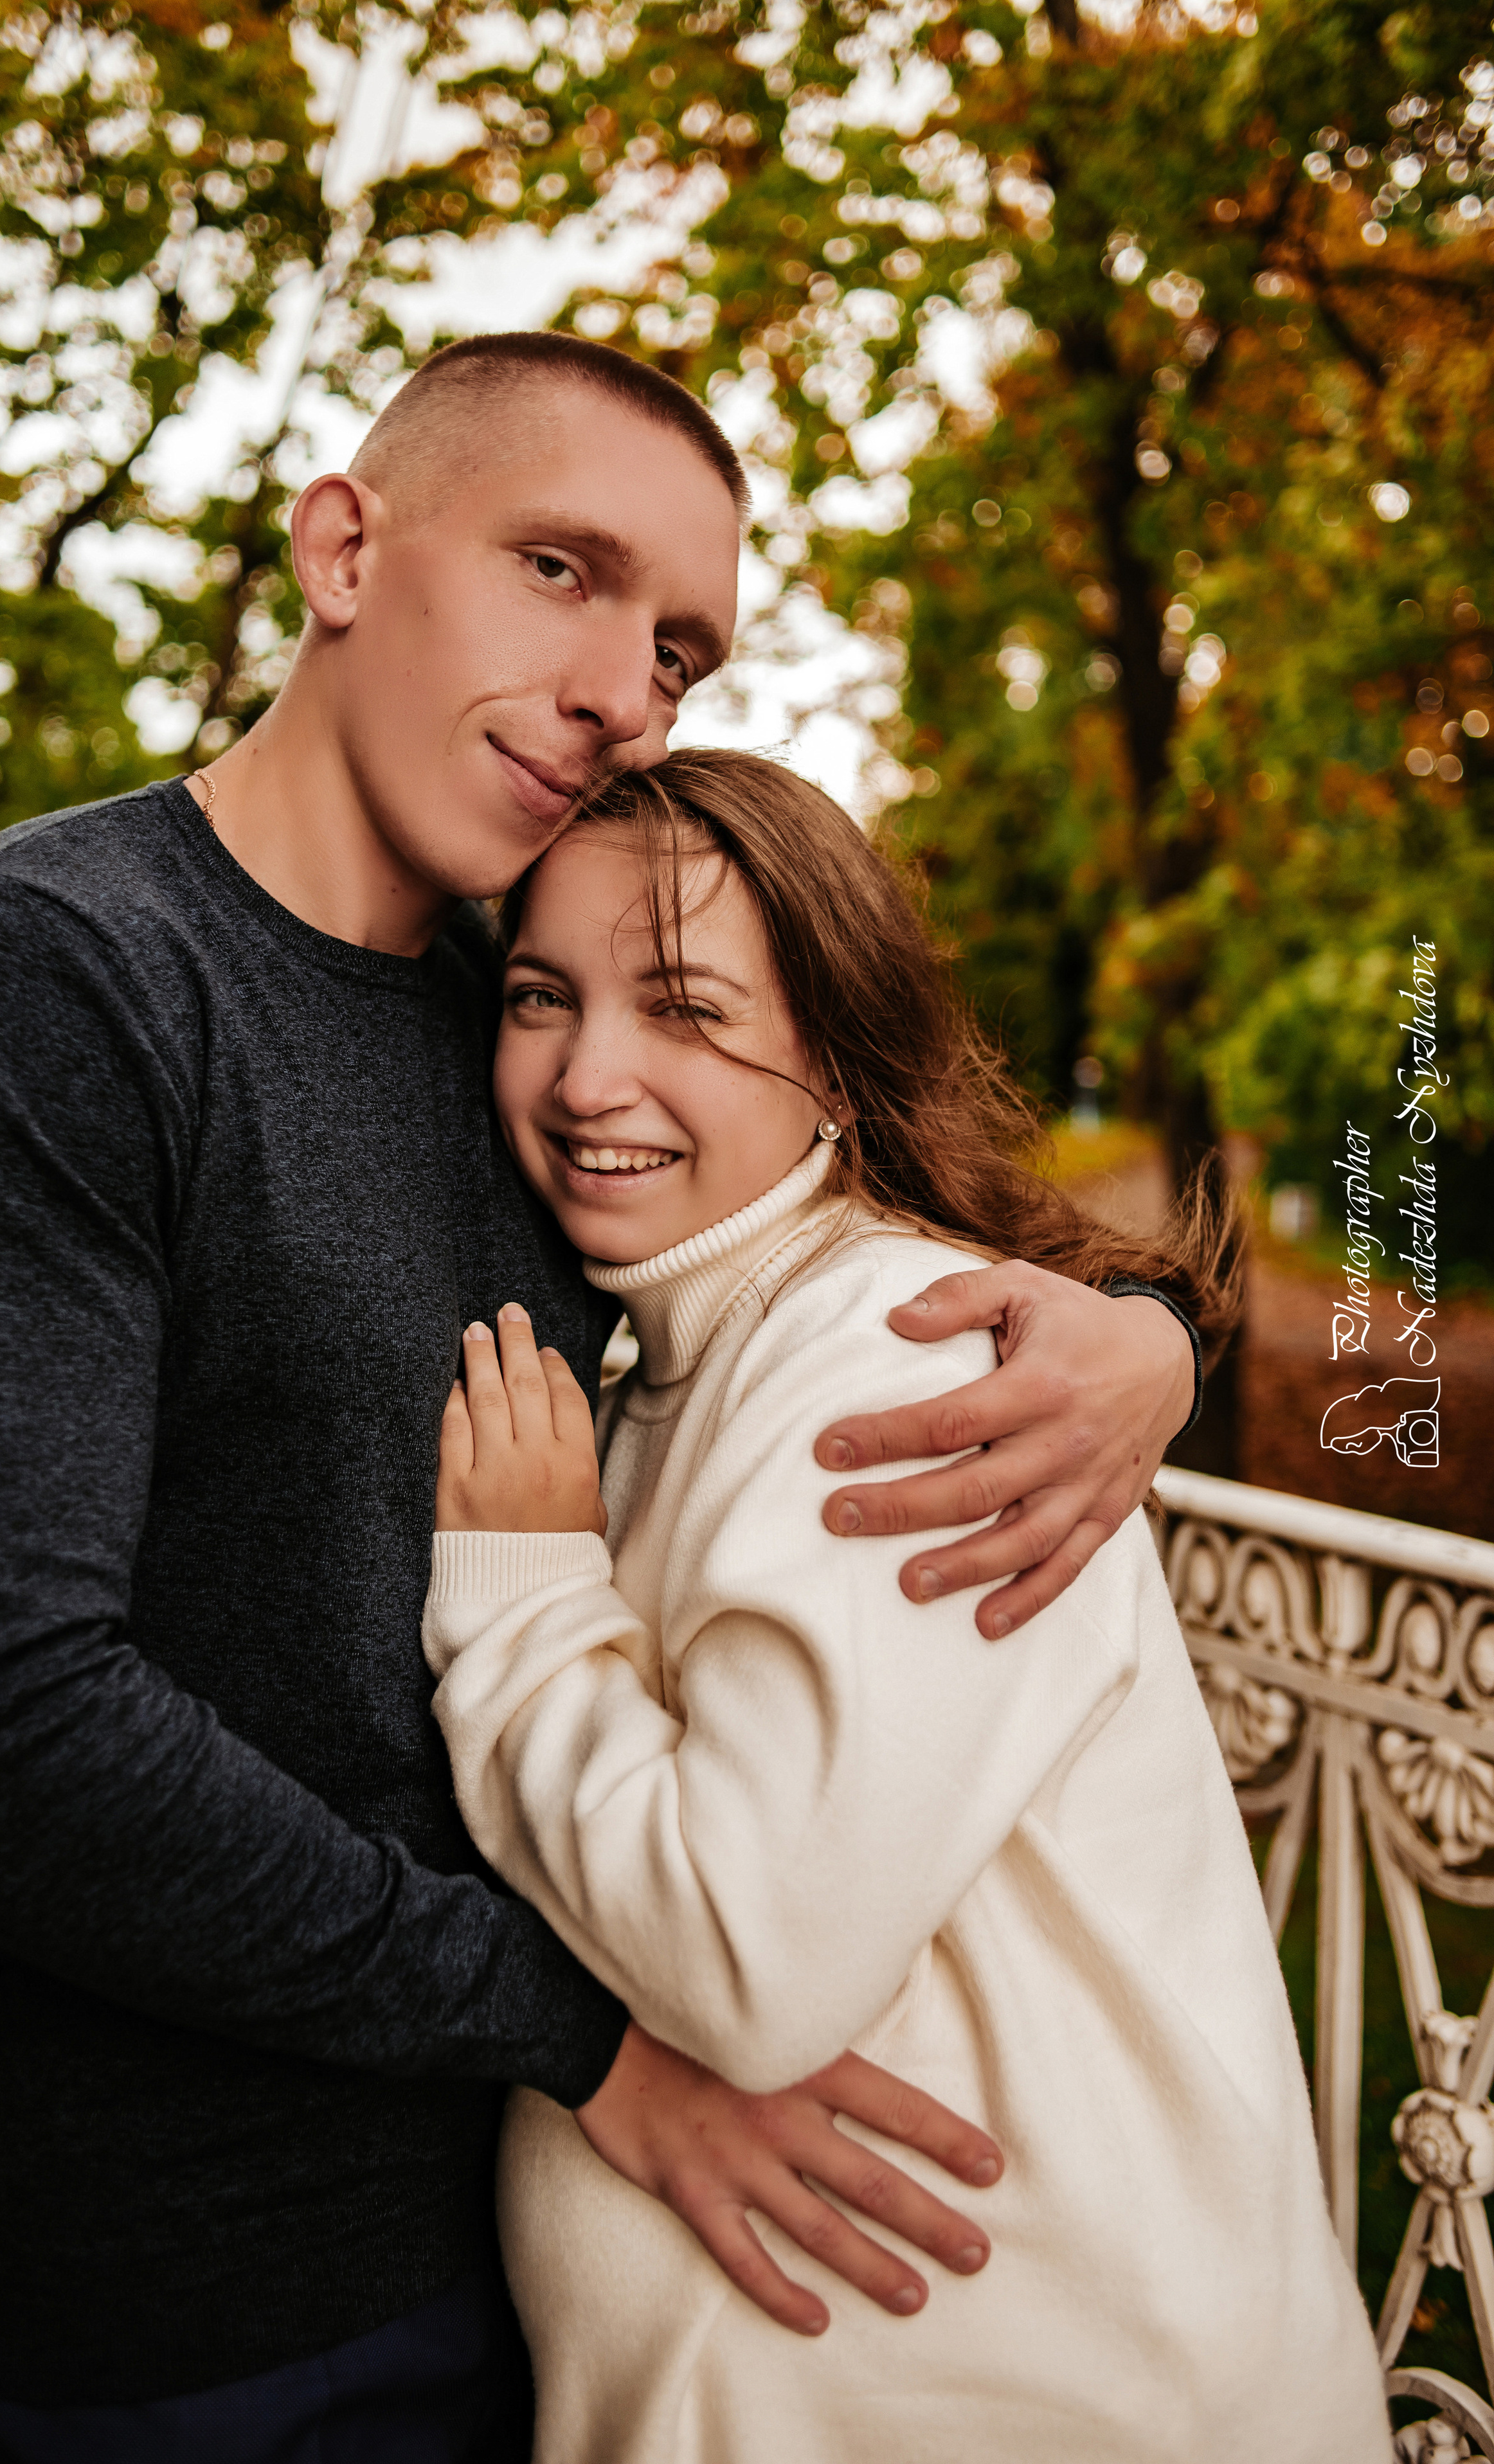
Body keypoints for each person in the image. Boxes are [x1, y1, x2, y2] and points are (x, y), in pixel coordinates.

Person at [0, 333, 1203, 2459]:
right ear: (343, 547)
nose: (623, 690)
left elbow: (827, 1207)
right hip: (191, 2278)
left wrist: (1143, 1345)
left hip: (547, 2277)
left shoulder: (527, 1019)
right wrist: (589, 2038)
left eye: (679, 647)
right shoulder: (30, 984)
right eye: (562, 569)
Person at [422, 748, 1387, 2463]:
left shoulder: (895, 1360)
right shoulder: (685, 1343)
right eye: (541, 994)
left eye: (685, 1006)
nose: (588, 1075)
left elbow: (743, 1955)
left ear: (833, 1060)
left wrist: (521, 1603)